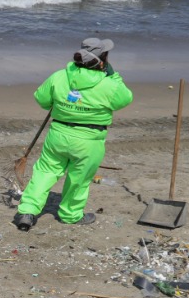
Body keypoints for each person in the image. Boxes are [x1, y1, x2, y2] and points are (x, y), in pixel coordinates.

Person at [14, 38, 133, 230]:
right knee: (80, 178)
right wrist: (112, 74)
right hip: (89, 139)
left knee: (45, 172)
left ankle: (27, 211)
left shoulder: (60, 76)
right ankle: (70, 215)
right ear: (103, 60)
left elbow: (42, 99)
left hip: (58, 134)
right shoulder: (110, 84)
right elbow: (125, 99)